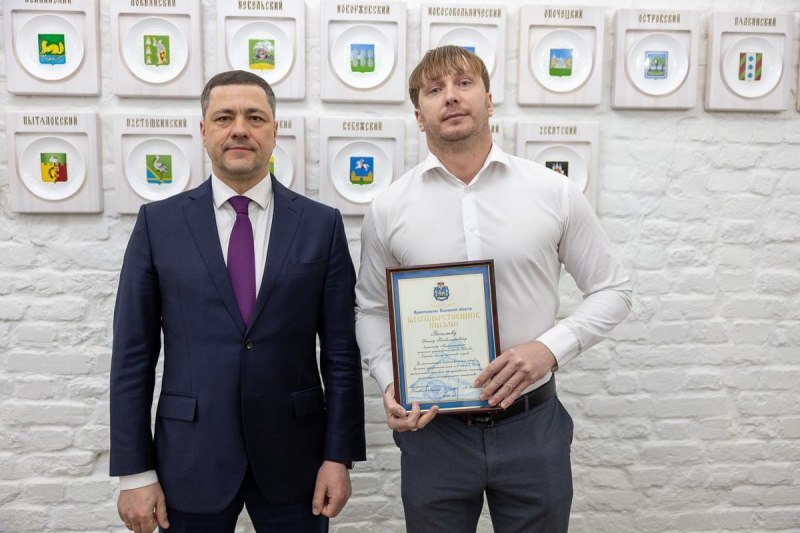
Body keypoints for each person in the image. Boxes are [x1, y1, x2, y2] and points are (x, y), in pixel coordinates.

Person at [355, 46, 632, 532]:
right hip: (435, 432)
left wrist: (548, 349)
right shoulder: (388, 208)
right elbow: (372, 310)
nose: (451, 97)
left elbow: (613, 289)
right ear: (419, 117)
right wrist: (389, 380)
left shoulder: (553, 191)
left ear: (488, 100)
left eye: (464, 83)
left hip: (532, 425)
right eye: (435, 90)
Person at [110, 70, 366, 533]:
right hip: (189, 458)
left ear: (275, 130)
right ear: (203, 129)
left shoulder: (321, 226)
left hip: (298, 461)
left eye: (255, 117)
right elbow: (133, 355)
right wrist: (134, 472)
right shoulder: (158, 225)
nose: (240, 129)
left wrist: (338, 456)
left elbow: (341, 354)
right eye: (224, 117)